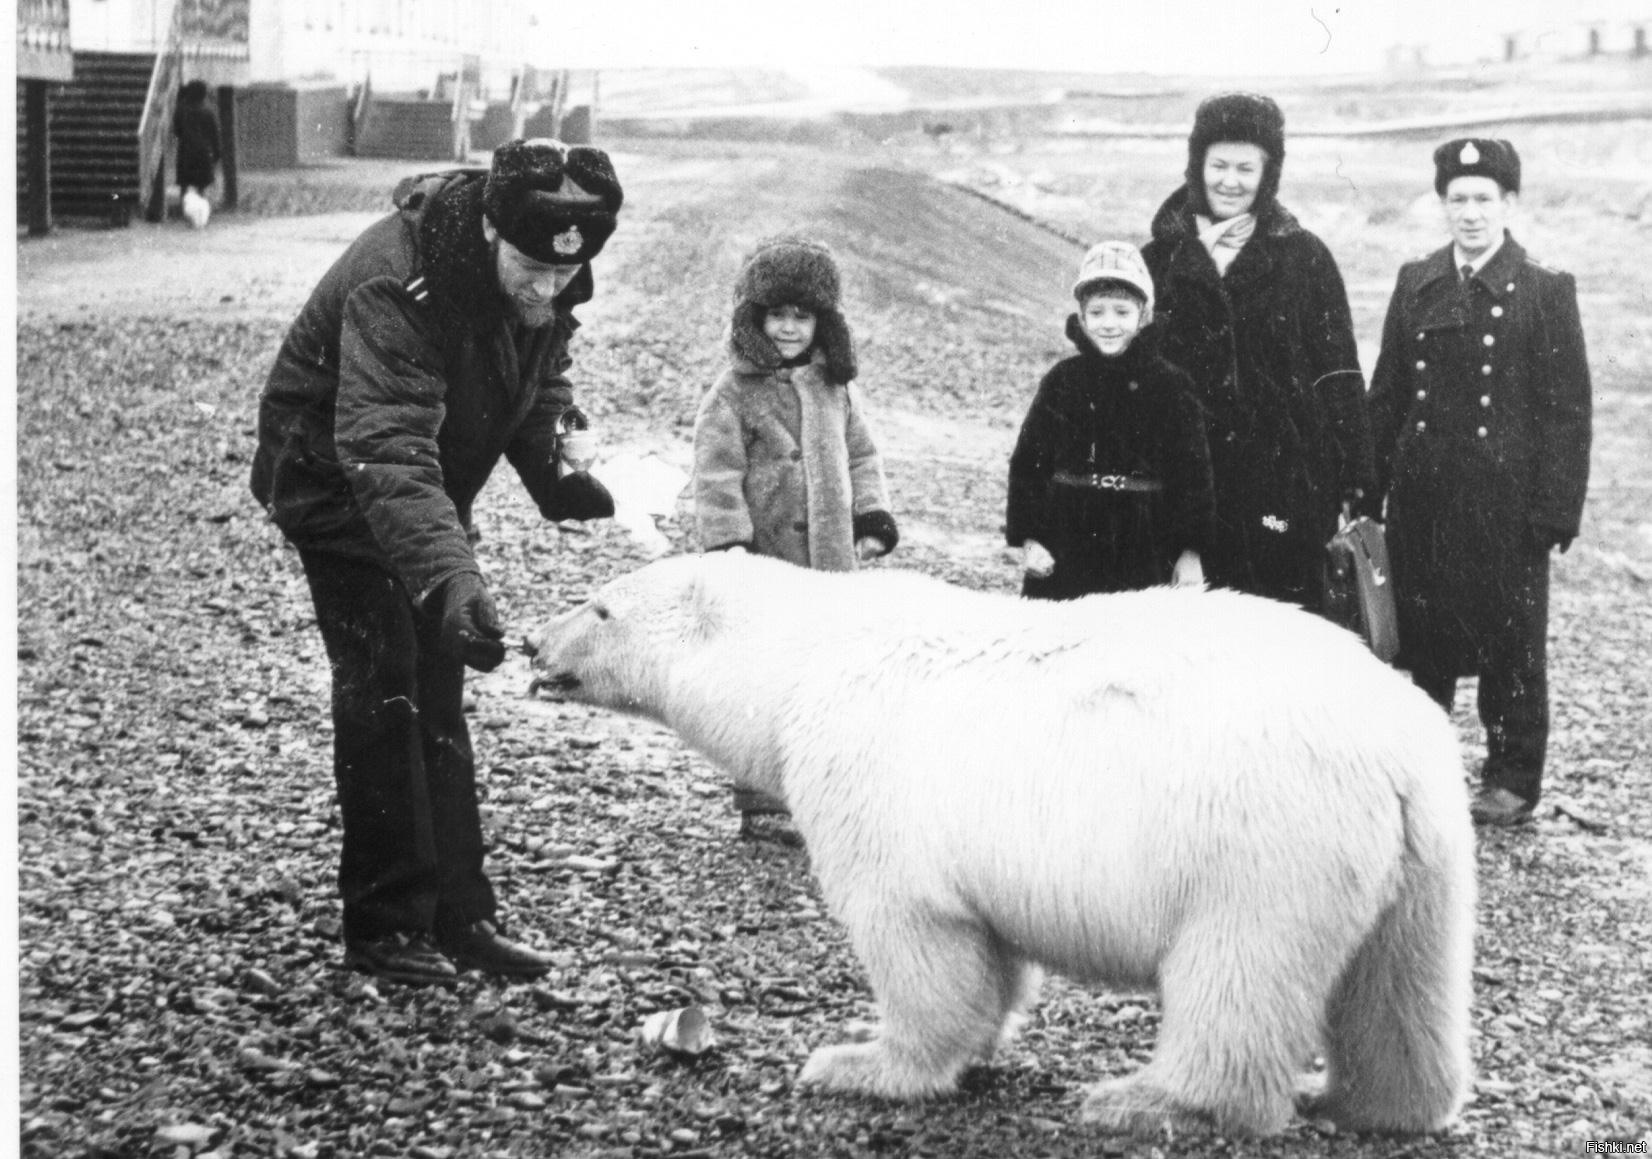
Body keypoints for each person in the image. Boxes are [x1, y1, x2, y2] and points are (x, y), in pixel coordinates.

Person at [250, 139, 622, 984]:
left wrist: (554, 469)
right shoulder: (402, 281)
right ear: (492, 228)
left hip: (419, 474)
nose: (548, 286)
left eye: (564, 275)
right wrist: (452, 579)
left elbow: (540, 373)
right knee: (385, 687)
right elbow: (383, 446)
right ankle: (384, 924)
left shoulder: (546, 273)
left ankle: (459, 913)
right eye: (532, 267)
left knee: (440, 687)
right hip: (335, 476)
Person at [1367, 138, 1592, 827]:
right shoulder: (1418, 281)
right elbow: (1390, 393)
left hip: (1506, 506)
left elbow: (1568, 409)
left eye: (1483, 199)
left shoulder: (1546, 290)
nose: (1470, 213)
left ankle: (1512, 780)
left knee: (1512, 645)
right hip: (1425, 497)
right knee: (1424, 638)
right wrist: (1365, 488)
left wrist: (1554, 509)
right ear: (1442, 204)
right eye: (1457, 199)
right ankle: (1423, 771)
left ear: (1510, 203)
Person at [691, 235, 898, 831]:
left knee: (828, 677)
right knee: (763, 677)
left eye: (800, 316)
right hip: (766, 565)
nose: (788, 328)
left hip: (830, 564)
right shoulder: (732, 394)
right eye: (776, 315)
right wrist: (730, 545)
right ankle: (762, 800)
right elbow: (715, 471)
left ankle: (823, 796)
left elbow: (862, 457)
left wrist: (872, 518)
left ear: (821, 322)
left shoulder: (835, 389)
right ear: (755, 319)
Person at [1141, 92, 1375, 611]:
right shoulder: (1157, 260)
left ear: (1269, 173)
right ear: (1196, 165)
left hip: (1282, 486)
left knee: (1277, 638)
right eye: (1218, 164)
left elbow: (1338, 373)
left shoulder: (1306, 257)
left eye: (1247, 167)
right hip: (1178, 488)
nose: (1230, 181)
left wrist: (1357, 478)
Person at [1006, 241, 1214, 600]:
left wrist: (1191, 552)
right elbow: (1029, 463)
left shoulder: (1171, 385)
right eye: (1097, 312)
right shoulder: (1062, 380)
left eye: (1121, 312)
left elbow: (1193, 474)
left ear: (1143, 315)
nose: (1109, 324)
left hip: (1144, 543)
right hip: (1066, 539)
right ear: (1082, 318)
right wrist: (1030, 539)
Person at [172, 80, 221, 220]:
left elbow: (177, 130)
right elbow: (214, 134)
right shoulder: (208, 111)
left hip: (186, 150)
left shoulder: (181, 109)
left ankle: (184, 210)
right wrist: (217, 153)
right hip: (203, 152)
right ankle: (200, 213)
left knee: (184, 183)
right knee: (201, 184)